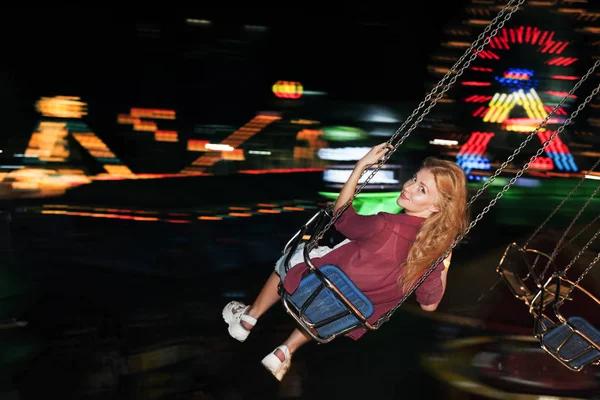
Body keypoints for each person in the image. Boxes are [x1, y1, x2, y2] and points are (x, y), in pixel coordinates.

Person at [222, 143, 469, 381]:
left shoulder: (386, 224)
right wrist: (444, 256)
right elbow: (429, 305)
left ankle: (249, 317)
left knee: (292, 259)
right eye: (415, 179)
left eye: (421, 189)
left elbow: (341, 218)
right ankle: (285, 350)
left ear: (437, 206)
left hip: (321, 282)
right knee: (331, 304)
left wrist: (360, 167)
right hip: (350, 313)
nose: (409, 187)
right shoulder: (431, 254)